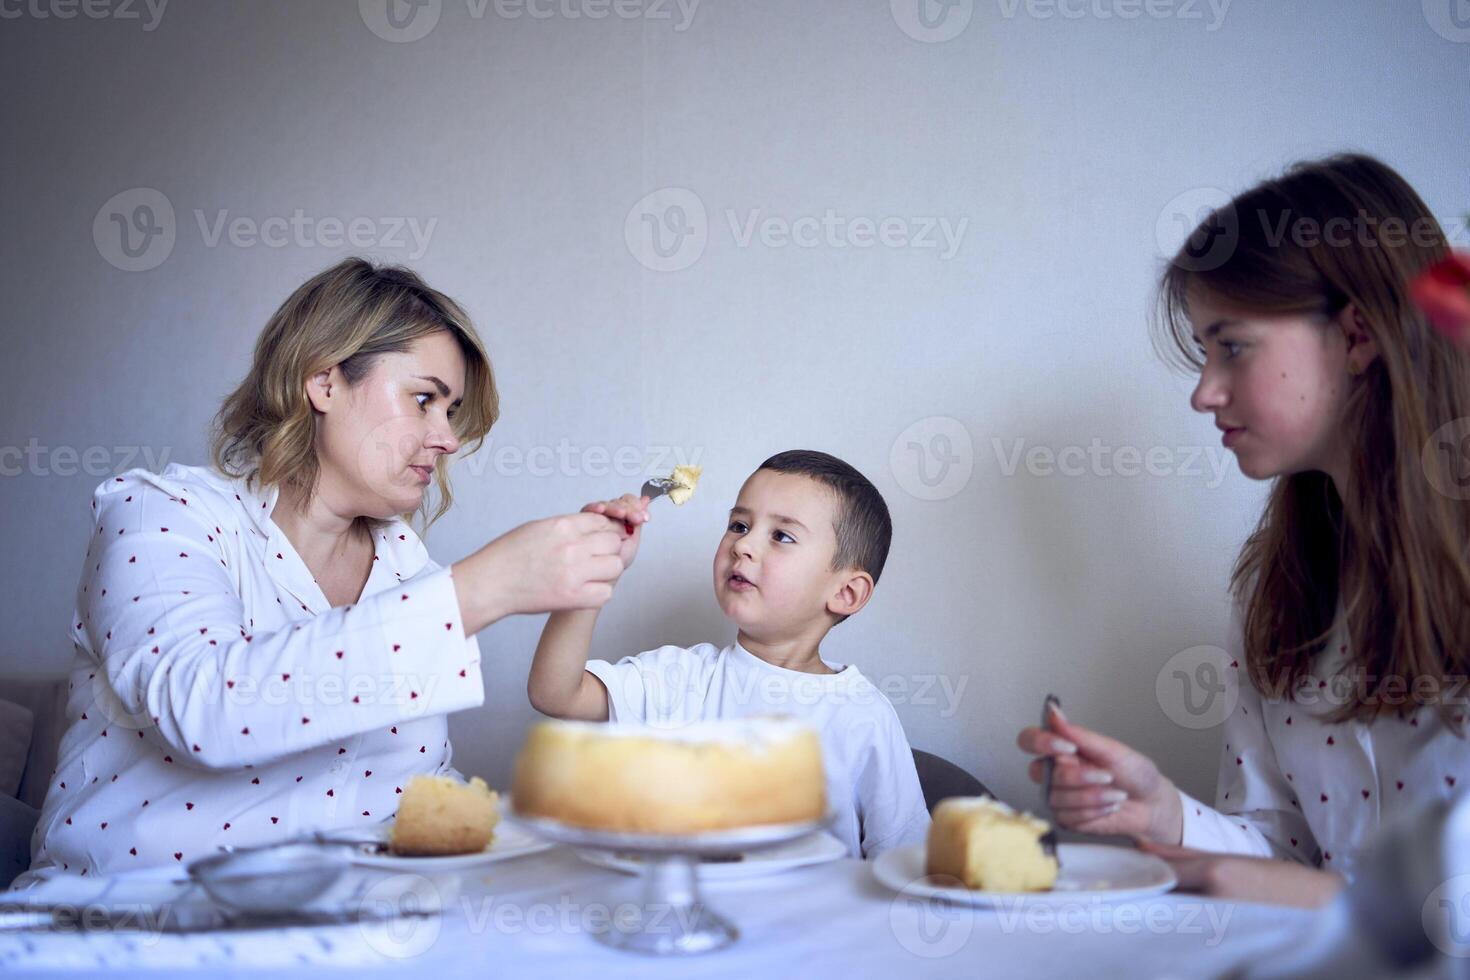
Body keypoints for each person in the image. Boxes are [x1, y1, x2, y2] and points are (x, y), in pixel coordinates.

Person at [13, 258, 628, 886]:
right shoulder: (161, 516)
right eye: (424, 400)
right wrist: (487, 586)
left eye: (452, 412)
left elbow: (402, 792)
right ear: (324, 382)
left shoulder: (406, 570)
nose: (446, 438)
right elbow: (208, 708)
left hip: (324, 935)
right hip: (121, 928)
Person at [1018, 153, 1470, 906]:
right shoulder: (1277, 590)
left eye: (1232, 346)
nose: (1203, 392)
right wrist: (1163, 810)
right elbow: (1281, 851)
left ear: (1358, 336)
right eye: (1204, 353)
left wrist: (1319, 898)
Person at [527, 450, 931, 858]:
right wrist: (593, 575)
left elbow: (905, 864)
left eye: (782, 536)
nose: (744, 545)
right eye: (739, 525)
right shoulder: (679, 677)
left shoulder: (862, 716)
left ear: (845, 593)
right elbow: (556, 694)